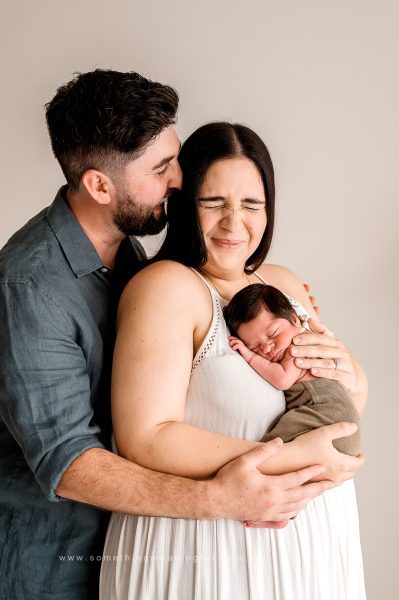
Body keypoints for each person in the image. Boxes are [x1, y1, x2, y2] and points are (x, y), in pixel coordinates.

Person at [0, 70, 342, 600]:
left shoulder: (128, 255)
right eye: (161, 168)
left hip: (142, 537)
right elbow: (68, 463)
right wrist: (225, 497)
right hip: (52, 561)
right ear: (99, 185)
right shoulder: (29, 286)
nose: (181, 180)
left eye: (174, 158)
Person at [100, 122, 367, 598]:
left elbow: (340, 396)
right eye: (214, 203)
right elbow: (145, 438)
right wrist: (290, 458)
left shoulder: (282, 281)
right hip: (211, 550)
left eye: (251, 204)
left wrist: (350, 371)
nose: (234, 223)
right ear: (185, 205)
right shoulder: (166, 287)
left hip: (313, 548)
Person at [224, 283, 360, 455]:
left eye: (272, 334)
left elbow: (282, 380)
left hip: (328, 412)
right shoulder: (291, 340)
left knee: (272, 447)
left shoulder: (298, 344)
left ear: (295, 320)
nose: (266, 348)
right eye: (255, 347)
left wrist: (250, 356)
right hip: (336, 419)